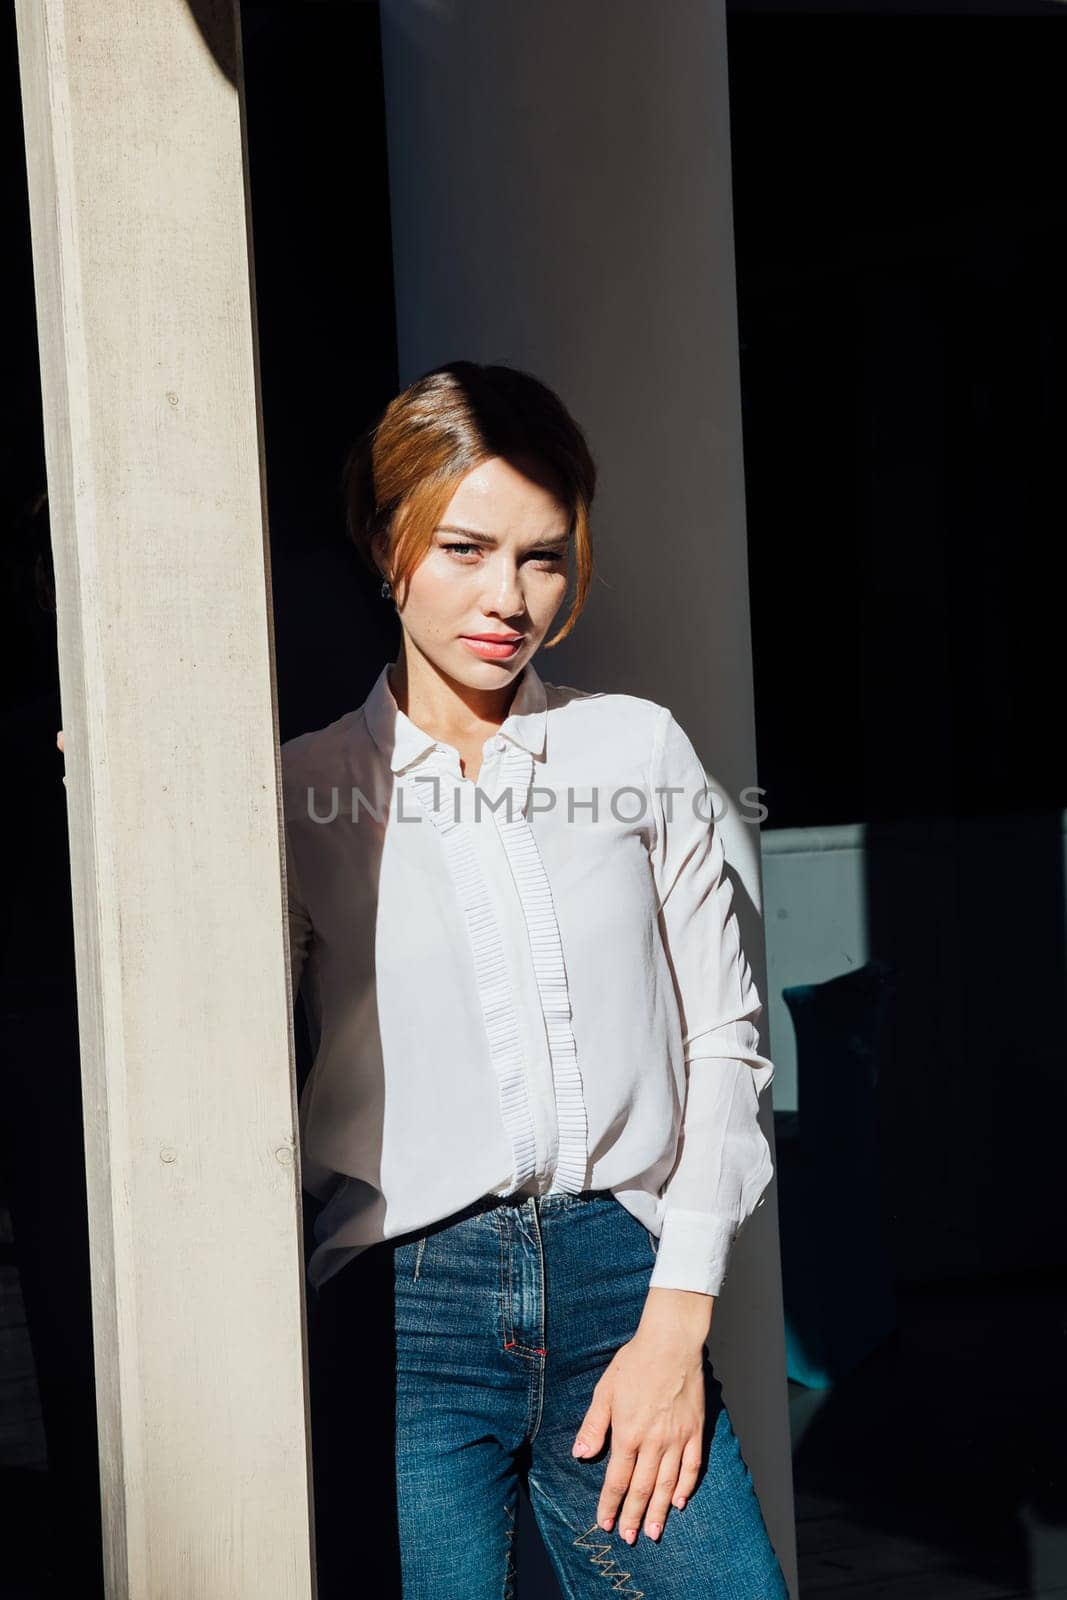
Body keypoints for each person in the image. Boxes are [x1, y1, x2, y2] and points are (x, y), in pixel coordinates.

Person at [283, 360, 790, 1598]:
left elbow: (725, 1040)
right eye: (463, 548)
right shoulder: (299, 795)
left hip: (625, 1279)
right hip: (400, 1314)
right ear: (381, 540)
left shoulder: (637, 749)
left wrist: (679, 1317)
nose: (506, 598)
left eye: (542, 556)